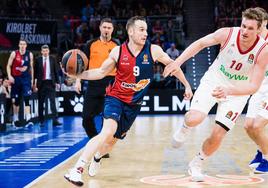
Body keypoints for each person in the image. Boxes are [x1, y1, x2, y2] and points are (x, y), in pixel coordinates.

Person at [64, 16, 193, 186]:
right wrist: (78, 75)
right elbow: (101, 72)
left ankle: (97, 157)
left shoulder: (154, 50)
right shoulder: (118, 51)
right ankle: (77, 169)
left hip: (133, 105)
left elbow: (173, 65)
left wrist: (187, 86)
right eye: (141, 29)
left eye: (146, 30)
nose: (145, 33)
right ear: (130, 31)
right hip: (115, 97)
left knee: (111, 142)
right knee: (107, 132)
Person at [163, 8, 268, 181]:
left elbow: (254, 86)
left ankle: (197, 163)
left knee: (218, 134)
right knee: (194, 118)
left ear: (259, 30)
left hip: (237, 93)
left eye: (250, 28)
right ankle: (185, 128)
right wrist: (177, 62)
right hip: (214, 81)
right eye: (243, 26)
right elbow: (199, 44)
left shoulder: (263, 50)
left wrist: (229, 91)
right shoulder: (226, 34)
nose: (245, 31)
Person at [75, 18, 119, 144]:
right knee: (86, 119)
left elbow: (121, 66)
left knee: (108, 120)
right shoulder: (90, 44)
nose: (106, 30)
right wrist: (78, 81)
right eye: (104, 27)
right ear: (100, 28)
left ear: (112, 29)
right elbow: (81, 65)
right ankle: (95, 143)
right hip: (93, 83)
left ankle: (103, 147)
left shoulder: (117, 45)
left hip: (111, 84)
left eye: (109, 28)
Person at [244, 7, 268, 173]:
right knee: (248, 126)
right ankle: (261, 151)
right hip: (258, 87)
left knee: (257, 125)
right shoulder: (249, 39)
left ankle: (267, 158)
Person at [6, 38, 33, 127]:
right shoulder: (14, 53)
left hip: (26, 79)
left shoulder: (29, 54)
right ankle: (15, 119)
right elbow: (8, 65)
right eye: (20, 44)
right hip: (16, 78)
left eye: (23, 44)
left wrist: (32, 80)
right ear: (18, 45)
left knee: (27, 98)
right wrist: (9, 76)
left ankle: (28, 119)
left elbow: (31, 68)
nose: (22, 46)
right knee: (16, 100)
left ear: (26, 45)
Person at [34, 44, 61, 127]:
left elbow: (55, 71)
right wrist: (35, 84)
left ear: (48, 51)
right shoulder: (38, 60)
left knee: (53, 102)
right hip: (41, 83)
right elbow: (35, 73)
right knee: (41, 103)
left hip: (50, 83)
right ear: (41, 52)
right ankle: (41, 121)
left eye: (46, 51)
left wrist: (57, 82)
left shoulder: (52, 59)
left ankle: (55, 120)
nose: (45, 52)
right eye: (44, 51)